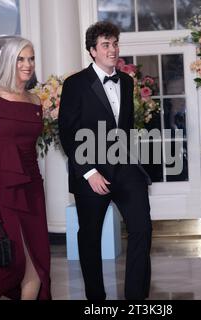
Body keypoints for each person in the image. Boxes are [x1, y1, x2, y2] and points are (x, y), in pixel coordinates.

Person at [59, 21, 152, 300]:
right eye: (105, 45)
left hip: (125, 168)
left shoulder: (126, 81)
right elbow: (67, 132)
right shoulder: (74, 84)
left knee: (142, 229)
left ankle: (136, 298)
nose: (112, 50)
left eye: (115, 44)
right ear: (92, 51)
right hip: (91, 172)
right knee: (89, 238)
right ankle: (96, 301)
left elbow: (126, 128)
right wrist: (89, 172)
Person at [0, 37, 51, 300]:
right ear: (8, 61)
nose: (27, 64)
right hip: (3, 187)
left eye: (31, 58)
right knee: (16, 260)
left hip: (32, 184)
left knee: (38, 261)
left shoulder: (34, 100)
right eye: (21, 58)